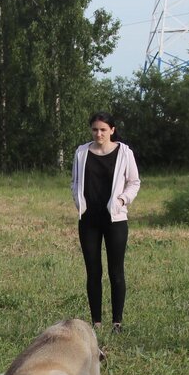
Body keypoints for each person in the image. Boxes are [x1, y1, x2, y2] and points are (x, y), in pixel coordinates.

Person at [71, 112, 140, 333]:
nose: (98, 133)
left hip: (115, 220)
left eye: (103, 129)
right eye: (95, 129)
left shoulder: (124, 153)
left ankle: (117, 322)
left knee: (116, 271)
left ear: (112, 130)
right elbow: (74, 182)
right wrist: (78, 200)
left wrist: (121, 200)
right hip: (89, 220)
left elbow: (134, 182)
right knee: (93, 271)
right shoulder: (82, 153)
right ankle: (96, 323)